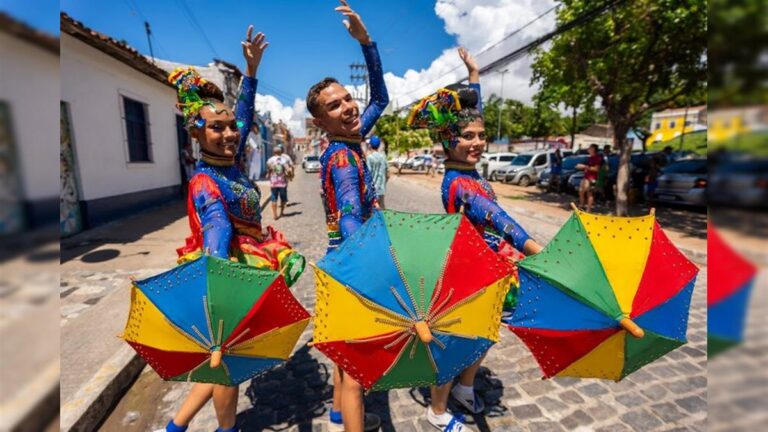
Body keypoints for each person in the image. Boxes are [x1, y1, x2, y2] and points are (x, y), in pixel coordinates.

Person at [159, 27, 304, 432]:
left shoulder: (230, 158)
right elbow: (217, 229)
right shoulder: (207, 182)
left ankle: (175, 425)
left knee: (218, 361)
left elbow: (242, 113)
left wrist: (252, 71)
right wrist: (221, 285)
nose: (227, 134)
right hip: (228, 271)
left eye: (229, 128)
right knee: (229, 365)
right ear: (195, 133)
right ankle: (227, 429)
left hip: (246, 261)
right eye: (215, 128)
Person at [408, 47, 543, 432]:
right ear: (448, 141)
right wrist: (537, 251)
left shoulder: (470, 169)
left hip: (490, 269)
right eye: (467, 136)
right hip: (465, 272)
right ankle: (437, 409)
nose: (477, 142)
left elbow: (469, 113)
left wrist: (475, 78)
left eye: (482, 135)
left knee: (485, 335)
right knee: (456, 344)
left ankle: (465, 389)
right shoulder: (461, 183)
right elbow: (500, 220)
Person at [306, 2, 388, 431]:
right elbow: (352, 218)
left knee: (344, 356)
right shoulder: (341, 157)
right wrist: (374, 266)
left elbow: (383, 98)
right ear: (320, 121)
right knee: (358, 370)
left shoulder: (351, 137)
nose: (349, 107)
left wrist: (366, 43)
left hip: (340, 263)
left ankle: (339, 416)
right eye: (334, 106)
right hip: (352, 265)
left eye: (347, 98)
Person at [576, 144, 604, 212]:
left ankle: (588, 209)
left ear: (593, 149)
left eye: (590, 148)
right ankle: (582, 206)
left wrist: (584, 167)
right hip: (586, 176)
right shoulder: (590, 157)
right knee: (581, 191)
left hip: (591, 178)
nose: (588, 149)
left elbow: (596, 169)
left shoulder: (597, 157)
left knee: (589, 193)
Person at [266, 146, 290, 219]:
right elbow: (288, 170)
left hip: (273, 183)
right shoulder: (283, 160)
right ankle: (281, 213)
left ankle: (275, 215)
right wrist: (288, 174)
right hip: (282, 183)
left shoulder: (270, 160)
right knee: (283, 199)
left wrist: (269, 174)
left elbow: (269, 171)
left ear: (274, 152)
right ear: (280, 152)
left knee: (274, 199)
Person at [366, 135, 388, 209]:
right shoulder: (383, 157)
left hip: (373, 189)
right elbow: (387, 172)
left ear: (370, 145)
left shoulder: (370, 158)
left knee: (373, 209)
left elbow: (368, 174)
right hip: (381, 189)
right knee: (382, 207)